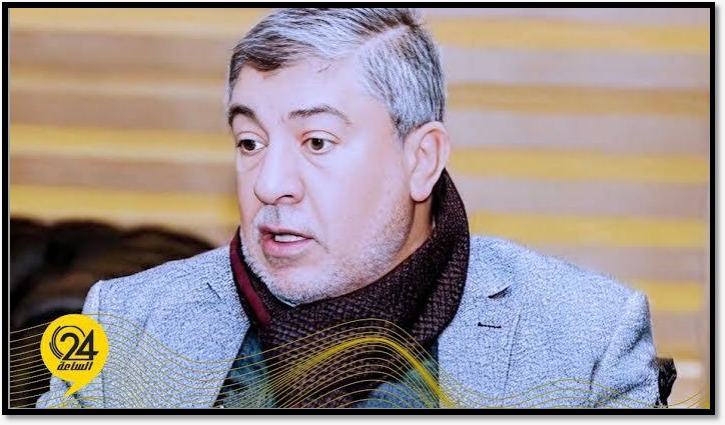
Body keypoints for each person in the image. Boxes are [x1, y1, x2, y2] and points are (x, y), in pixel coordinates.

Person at [37, 8, 661, 409]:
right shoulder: (127, 323)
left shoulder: (585, 341)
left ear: (421, 159)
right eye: (250, 142)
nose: (270, 184)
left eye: (316, 142)